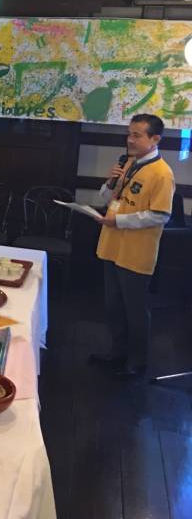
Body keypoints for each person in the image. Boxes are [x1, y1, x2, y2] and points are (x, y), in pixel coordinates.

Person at [90, 114, 175, 379]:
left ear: (155, 139)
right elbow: (107, 199)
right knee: (113, 307)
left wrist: (120, 221)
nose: (130, 140)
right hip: (112, 246)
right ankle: (117, 353)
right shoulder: (128, 163)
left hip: (136, 253)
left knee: (135, 310)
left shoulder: (162, 173)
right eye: (129, 134)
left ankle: (137, 362)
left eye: (137, 135)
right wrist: (109, 181)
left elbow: (160, 215)